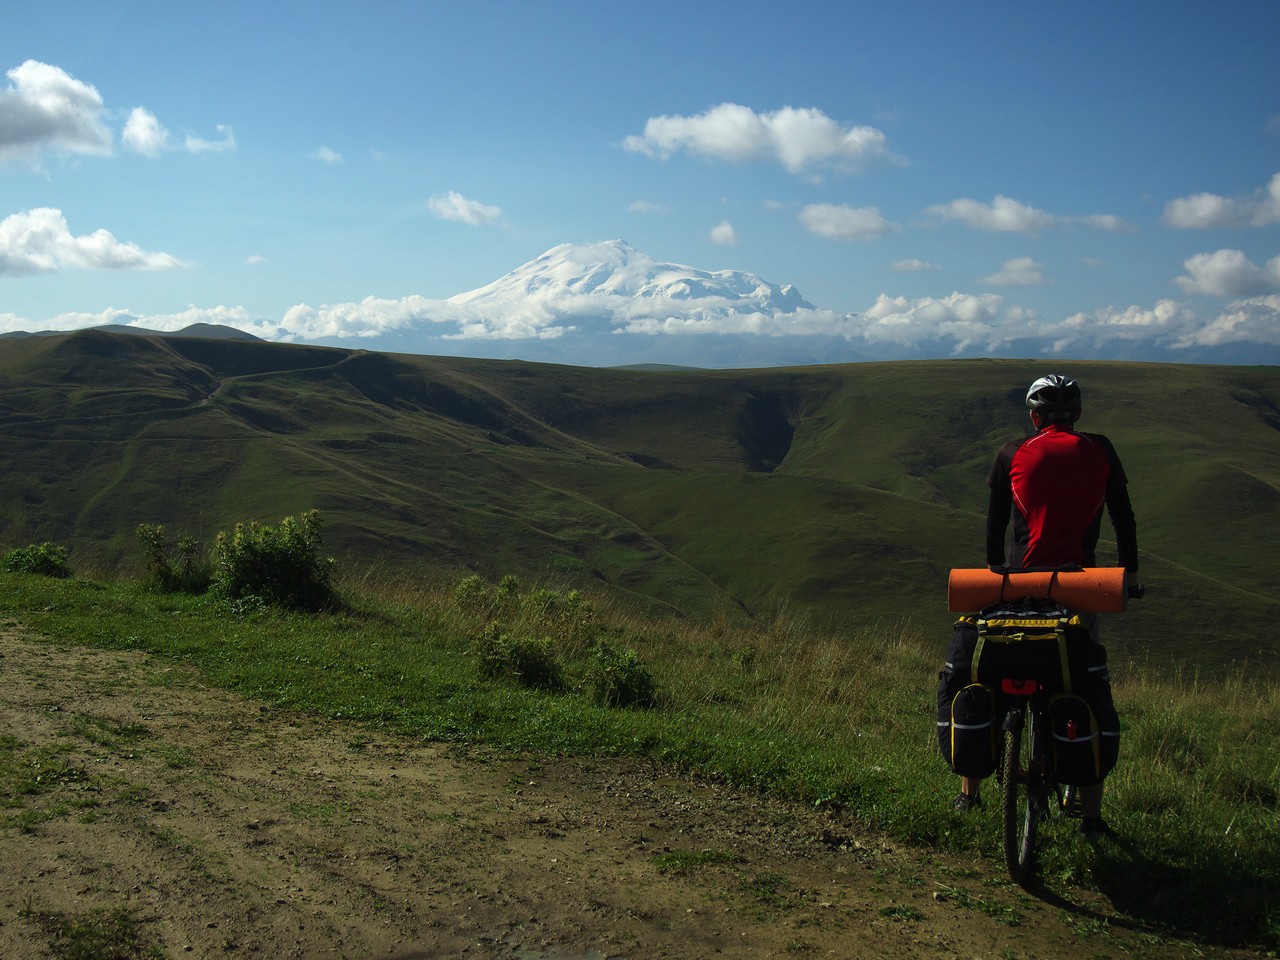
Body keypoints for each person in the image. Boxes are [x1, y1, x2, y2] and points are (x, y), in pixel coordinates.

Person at [953, 374, 1138, 839]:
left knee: (984, 674)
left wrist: (995, 568)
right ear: (1077, 415)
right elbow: (1122, 513)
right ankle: (1090, 815)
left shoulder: (1012, 452)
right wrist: (1130, 572)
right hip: (1079, 585)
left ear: (1033, 417)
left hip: (1016, 583)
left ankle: (968, 793)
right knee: (1085, 682)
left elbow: (995, 521)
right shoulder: (1100, 450)